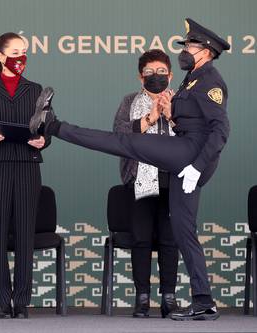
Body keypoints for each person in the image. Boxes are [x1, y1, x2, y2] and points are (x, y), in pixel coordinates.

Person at [30, 18, 230, 321]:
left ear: (206, 51)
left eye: (190, 45)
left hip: (191, 153)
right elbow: (192, 123)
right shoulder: (191, 79)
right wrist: (171, 117)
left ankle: (54, 125)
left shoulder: (210, 81)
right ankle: (204, 301)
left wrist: (196, 168)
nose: (185, 49)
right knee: (183, 231)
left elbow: (220, 130)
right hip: (186, 149)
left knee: (127, 143)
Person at [0, 32, 50, 318]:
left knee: (26, 232)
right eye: (15, 51)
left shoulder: (37, 89)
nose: (21, 57)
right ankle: (3, 300)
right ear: (1, 56)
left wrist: (43, 140)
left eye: (24, 51)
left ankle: (23, 300)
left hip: (28, 164)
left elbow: (46, 128)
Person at [113, 49, 179, 318]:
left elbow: (196, 136)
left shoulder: (183, 100)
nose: (156, 77)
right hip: (140, 177)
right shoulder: (130, 101)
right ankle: (142, 298)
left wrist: (173, 114)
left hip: (174, 178)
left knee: (169, 240)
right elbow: (120, 134)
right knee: (140, 240)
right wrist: (151, 117)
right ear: (141, 78)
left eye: (162, 72)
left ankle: (169, 298)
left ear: (171, 75)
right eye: (150, 73)